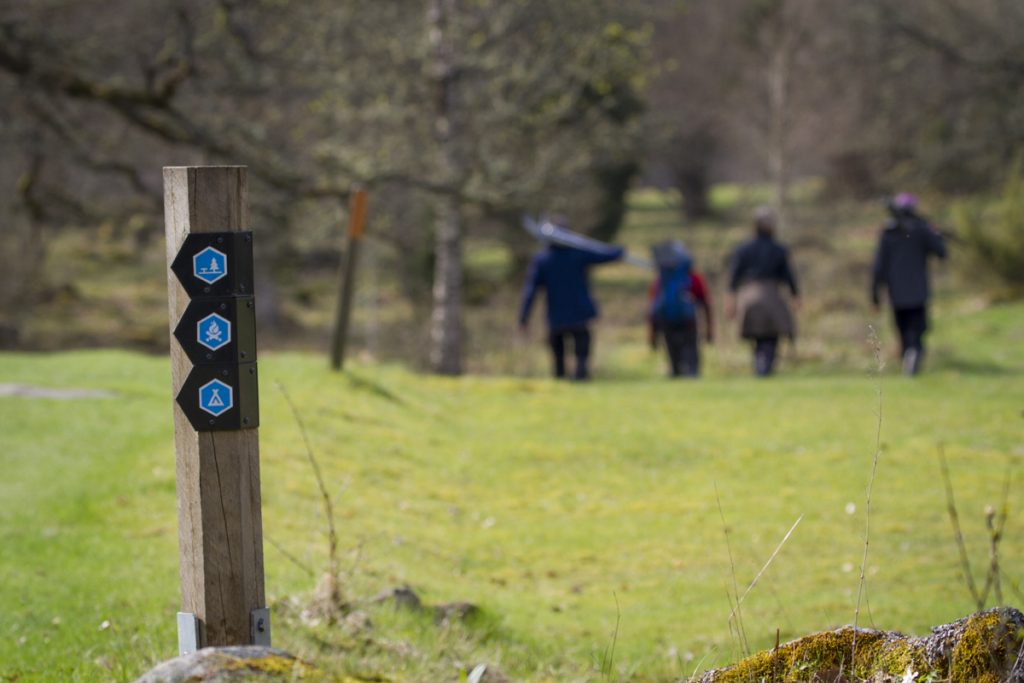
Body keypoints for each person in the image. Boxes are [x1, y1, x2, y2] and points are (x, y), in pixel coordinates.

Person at [518, 217, 625, 380]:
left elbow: (531, 291)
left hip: (561, 314)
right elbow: (605, 255)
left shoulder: (545, 259)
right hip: (575, 312)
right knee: (575, 349)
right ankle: (576, 375)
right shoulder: (574, 254)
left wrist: (524, 317)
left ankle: (569, 376)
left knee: (565, 350)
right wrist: (618, 251)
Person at [870, 193, 947, 376]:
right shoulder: (921, 230)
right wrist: (935, 234)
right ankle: (912, 358)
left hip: (896, 293)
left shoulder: (888, 233)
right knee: (917, 330)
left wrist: (874, 295)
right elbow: (941, 252)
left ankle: (908, 359)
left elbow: (878, 267)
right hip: (918, 292)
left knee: (904, 330)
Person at [726, 207, 800, 377]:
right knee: (771, 335)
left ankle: (760, 363)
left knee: (756, 335)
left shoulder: (743, 249)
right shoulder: (779, 249)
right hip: (772, 295)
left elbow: (733, 279)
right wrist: (795, 297)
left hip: (749, 296)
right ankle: (765, 364)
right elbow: (789, 277)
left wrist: (731, 301)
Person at [647, 240, 713, 377]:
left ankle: (677, 375)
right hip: (688, 321)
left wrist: (652, 335)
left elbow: (653, 308)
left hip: (667, 322)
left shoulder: (661, 282)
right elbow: (706, 304)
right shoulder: (694, 278)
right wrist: (710, 329)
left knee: (674, 358)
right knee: (691, 356)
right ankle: (692, 377)